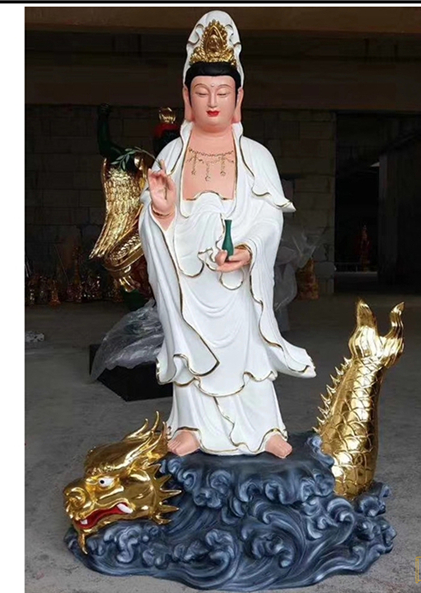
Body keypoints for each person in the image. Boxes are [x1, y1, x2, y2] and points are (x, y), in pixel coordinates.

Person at [138, 11, 316, 459]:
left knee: (247, 351)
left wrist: (250, 248)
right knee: (190, 347)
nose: (212, 102)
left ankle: (263, 428)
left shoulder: (256, 156)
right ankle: (192, 426)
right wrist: (161, 212)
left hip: (236, 281)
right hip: (189, 281)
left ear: (239, 98)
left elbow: (269, 217)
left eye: (222, 92)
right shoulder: (171, 155)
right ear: (187, 96)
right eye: (202, 92)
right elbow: (153, 220)